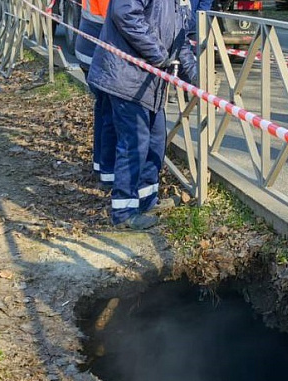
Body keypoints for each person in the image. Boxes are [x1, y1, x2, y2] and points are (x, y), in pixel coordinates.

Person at [87, 0, 198, 230]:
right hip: (126, 77)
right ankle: (124, 212)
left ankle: (146, 200)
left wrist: (196, 77)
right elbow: (124, 13)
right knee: (134, 143)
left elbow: (181, 41)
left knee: (156, 141)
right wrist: (158, 54)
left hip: (150, 83)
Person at [75, 0, 116, 189]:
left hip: (89, 48)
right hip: (100, 54)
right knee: (111, 115)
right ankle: (108, 173)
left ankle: (100, 165)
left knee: (102, 109)